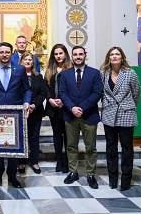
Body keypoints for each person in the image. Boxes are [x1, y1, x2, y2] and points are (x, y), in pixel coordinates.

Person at [0, 42, 32, 188]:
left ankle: (12, 175)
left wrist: (26, 103)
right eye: (1, 52)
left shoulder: (20, 69)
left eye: (7, 52)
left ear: (12, 53)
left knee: (13, 144)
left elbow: (27, 89)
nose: (4, 55)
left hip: (15, 113)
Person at [59, 46, 103, 189]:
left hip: (89, 115)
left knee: (91, 147)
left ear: (85, 55)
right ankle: (73, 172)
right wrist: (72, 107)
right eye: (75, 54)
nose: (78, 57)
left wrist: (82, 108)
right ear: (72, 57)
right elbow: (62, 93)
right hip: (70, 115)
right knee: (71, 146)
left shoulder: (95, 73)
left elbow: (97, 93)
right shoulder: (65, 74)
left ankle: (91, 174)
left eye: (80, 54)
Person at [100, 46, 140, 191]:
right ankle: (112, 179)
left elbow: (136, 94)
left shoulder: (130, 73)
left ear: (122, 57)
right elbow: (101, 93)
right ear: (108, 57)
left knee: (127, 148)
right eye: (112, 54)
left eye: (117, 54)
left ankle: (126, 180)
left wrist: (127, 106)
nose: (115, 56)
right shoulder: (103, 73)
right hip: (109, 113)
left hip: (126, 113)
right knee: (111, 147)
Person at [17, 52, 47, 175]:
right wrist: (23, 106)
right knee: (21, 138)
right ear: (21, 61)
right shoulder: (16, 75)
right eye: (25, 59)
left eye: (30, 60)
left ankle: (34, 161)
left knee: (34, 137)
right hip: (20, 111)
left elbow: (43, 93)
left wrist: (33, 105)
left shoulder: (38, 76)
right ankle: (21, 162)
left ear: (33, 62)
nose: (28, 61)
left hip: (35, 111)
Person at [44, 44, 72, 173]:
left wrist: (63, 101)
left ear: (65, 54)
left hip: (66, 107)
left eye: (60, 53)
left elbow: (73, 90)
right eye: (56, 54)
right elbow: (46, 87)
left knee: (67, 135)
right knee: (57, 135)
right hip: (53, 107)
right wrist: (50, 99)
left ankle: (67, 162)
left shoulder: (71, 69)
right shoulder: (50, 70)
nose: (58, 56)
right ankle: (59, 160)